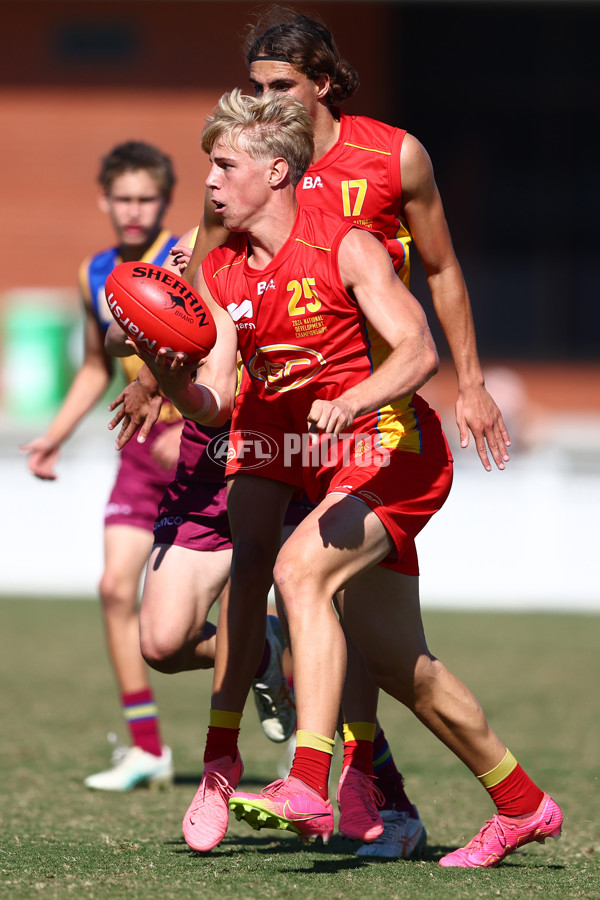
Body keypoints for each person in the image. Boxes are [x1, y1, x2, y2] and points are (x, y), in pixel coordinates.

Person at [122, 90, 561, 868]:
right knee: (402, 667)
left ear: (276, 170)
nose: (212, 183)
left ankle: (308, 778)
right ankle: (522, 805)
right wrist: (165, 367)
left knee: (298, 571)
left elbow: (417, 352)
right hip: (320, 455)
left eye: (225, 165)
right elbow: (217, 403)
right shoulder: (219, 271)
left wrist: (351, 398)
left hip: (395, 448)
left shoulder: (347, 245)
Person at [21, 141, 183, 791]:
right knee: (116, 588)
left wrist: (187, 415)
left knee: (247, 601)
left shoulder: (187, 256)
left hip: (199, 444)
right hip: (139, 452)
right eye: (124, 198)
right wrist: (53, 436)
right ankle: (147, 749)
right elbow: (96, 365)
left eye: (147, 198)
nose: (135, 210)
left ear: (166, 201)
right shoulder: (95, 270)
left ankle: (279, 690)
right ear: (104, 200)